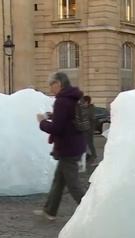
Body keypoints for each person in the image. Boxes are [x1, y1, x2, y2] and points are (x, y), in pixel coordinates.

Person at [34, 72, 86, 220]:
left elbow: (57, 128)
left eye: (51, 85)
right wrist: (52, 115)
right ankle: (49, 211)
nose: (50, 89)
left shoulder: (62, 101)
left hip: (67, 148)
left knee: (73, 185)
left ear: (58, 83)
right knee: (59, 181)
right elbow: (68, 118)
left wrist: (42, 122)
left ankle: (90, 212)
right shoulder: (73, 97)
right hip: (74, 144)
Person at [81, 95, 98, 164]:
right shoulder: (85, 108)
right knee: (85, 143)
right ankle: (86, 155)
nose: (82, 104)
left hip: (89, 129)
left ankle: (93, 155)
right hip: (85, 129)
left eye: (83, 102)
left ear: (87, 102)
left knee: (89, 143)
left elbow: (92, 118)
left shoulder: (91, 109)